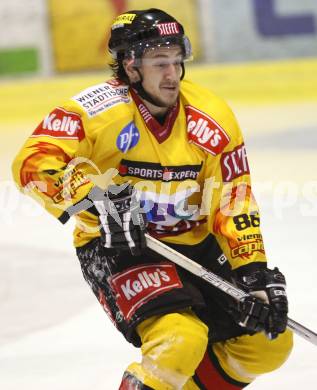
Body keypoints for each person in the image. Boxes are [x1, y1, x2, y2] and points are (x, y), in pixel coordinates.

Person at [12, 8, 293, 390]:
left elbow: (233, 197)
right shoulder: (97, 110)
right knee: (179, 341)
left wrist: (253, 269)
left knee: (267, 343)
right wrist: (93, 200)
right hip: (121, 247)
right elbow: (32, 163)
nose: (172, 73)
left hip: (196, 244)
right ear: (130, 66)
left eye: (177, 60)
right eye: (159, 62)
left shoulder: (210, 118)